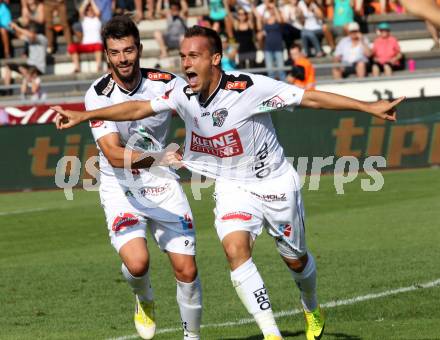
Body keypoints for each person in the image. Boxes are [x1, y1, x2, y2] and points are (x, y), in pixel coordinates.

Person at [53, 25, 403, 340]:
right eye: (182, 56)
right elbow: (135, 109)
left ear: (215, 58)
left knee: (295, 259)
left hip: (274, 183)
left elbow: (308, 97)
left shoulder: (249, 88)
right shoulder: (182, 94)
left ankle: (310, 304)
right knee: (235, 252)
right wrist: (86, 115)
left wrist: (369, 107)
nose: (185, 63)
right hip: (231, 185)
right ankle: (271, 334)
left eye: (193, 56)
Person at [63, 16, 203, 340]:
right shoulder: (97, 94)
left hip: (162, 183)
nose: (123, 58)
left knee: (188, 270)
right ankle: (144, 297)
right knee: (138, 264)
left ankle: (192, 337)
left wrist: (194, 146)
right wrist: (159, 156)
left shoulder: (166, 82)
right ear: (106, 54)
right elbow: (113, 155)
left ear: (139, 49)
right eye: (115, 52)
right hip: (120, 185)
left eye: (128, 50)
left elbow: (200, 115)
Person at [3, 22, 47, 92]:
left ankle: (28, 88)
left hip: (38, 67)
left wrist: (17, 27)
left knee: (28, 73)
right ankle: (6, 90)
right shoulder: (29, 39)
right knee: (9, 66)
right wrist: (12, 28)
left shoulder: (42, 38)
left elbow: (31, 35)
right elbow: (20, 36)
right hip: (29, 66)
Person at [67, 0, 104, 73]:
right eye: (88, 10)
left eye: (91, 10)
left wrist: (92, 2)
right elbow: (81, 11)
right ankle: (77, 67)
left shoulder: (97, 19)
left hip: (96, 44)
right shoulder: (84, 19)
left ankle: (99, 66)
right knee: (72, 46)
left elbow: (98, 12)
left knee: (99, 46)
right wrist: (87, 2)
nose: (90, 11)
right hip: (85, 44)